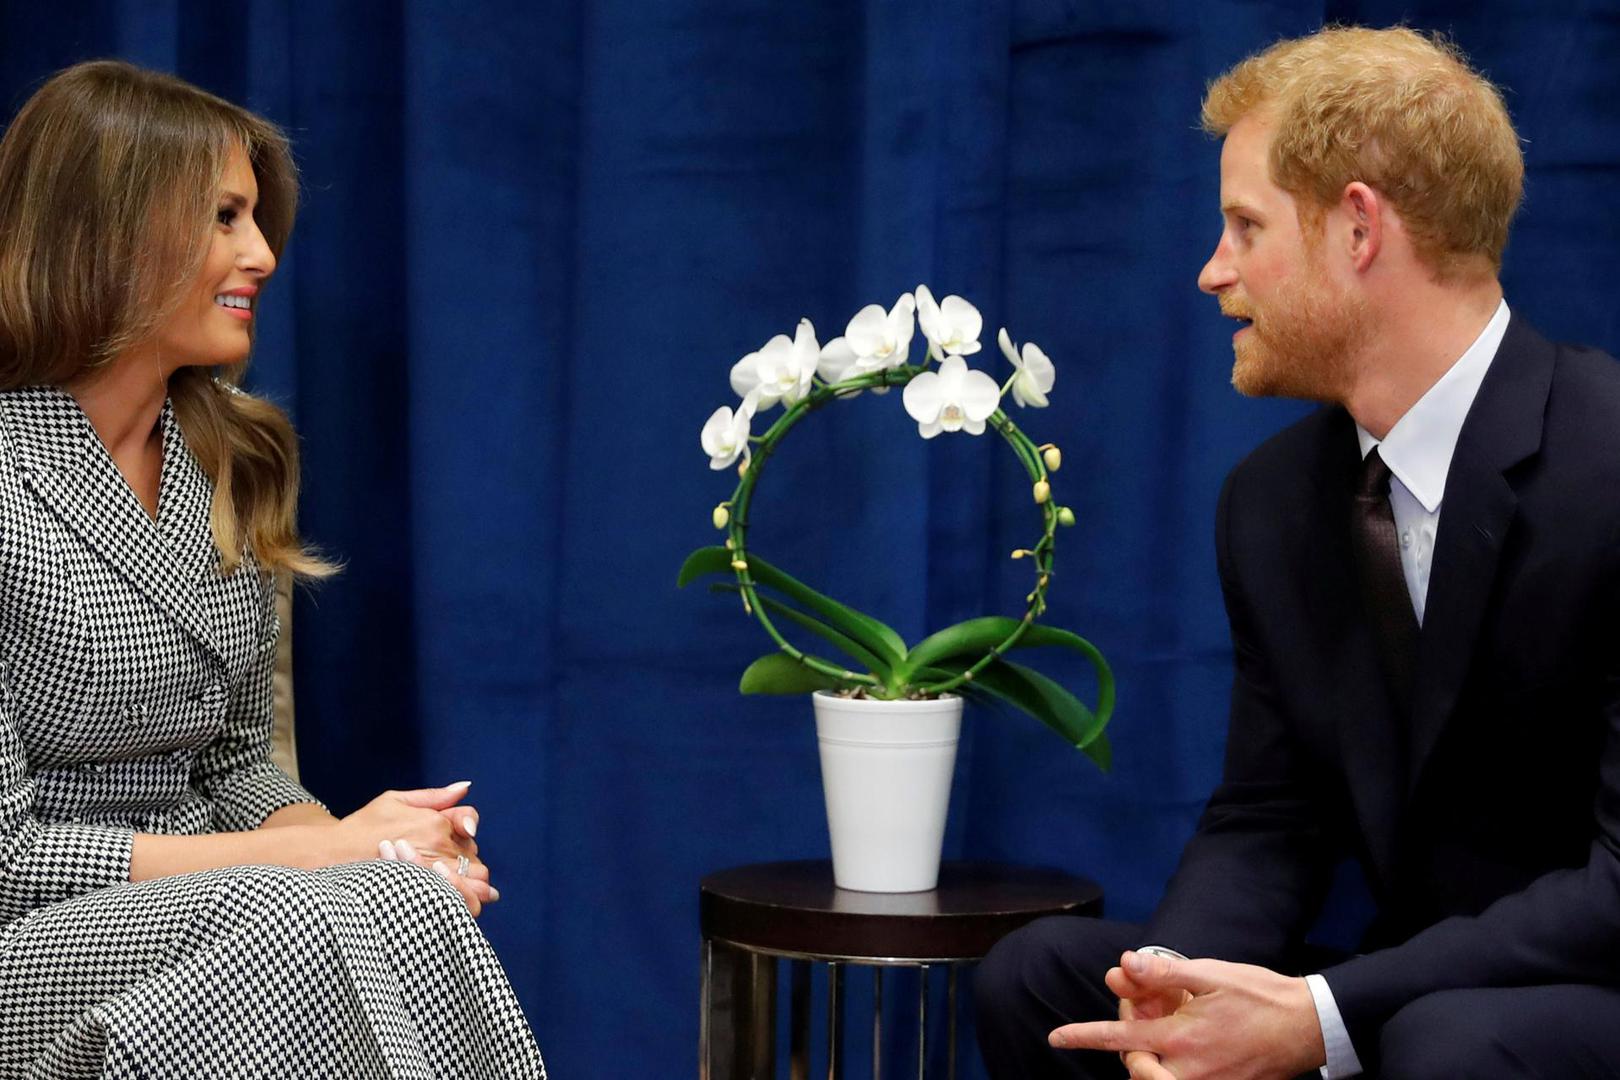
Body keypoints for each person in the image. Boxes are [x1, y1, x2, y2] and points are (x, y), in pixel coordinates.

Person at [975, 25, 1620, 1079]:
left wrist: (1322, 1015)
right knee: (1043, 981)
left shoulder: (1610, 460)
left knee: (1445, 1042)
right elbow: (1271, 817)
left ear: (1358, 228)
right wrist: (1173, 992)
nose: (1212, 272)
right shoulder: (1271, 503)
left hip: (1578, 997)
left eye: (1245, 226)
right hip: (1404, 1005)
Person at [0, 60, 546, 1077]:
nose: (261, 254)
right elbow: (11, 858)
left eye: (256, 219)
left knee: (395, 895)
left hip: (229, 907)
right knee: (302, 910)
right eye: (223, 217)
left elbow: (239, 765)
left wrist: (376, 853)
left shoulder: (234, 460)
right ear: (105, 230)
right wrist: (319, 857)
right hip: (30, 938)